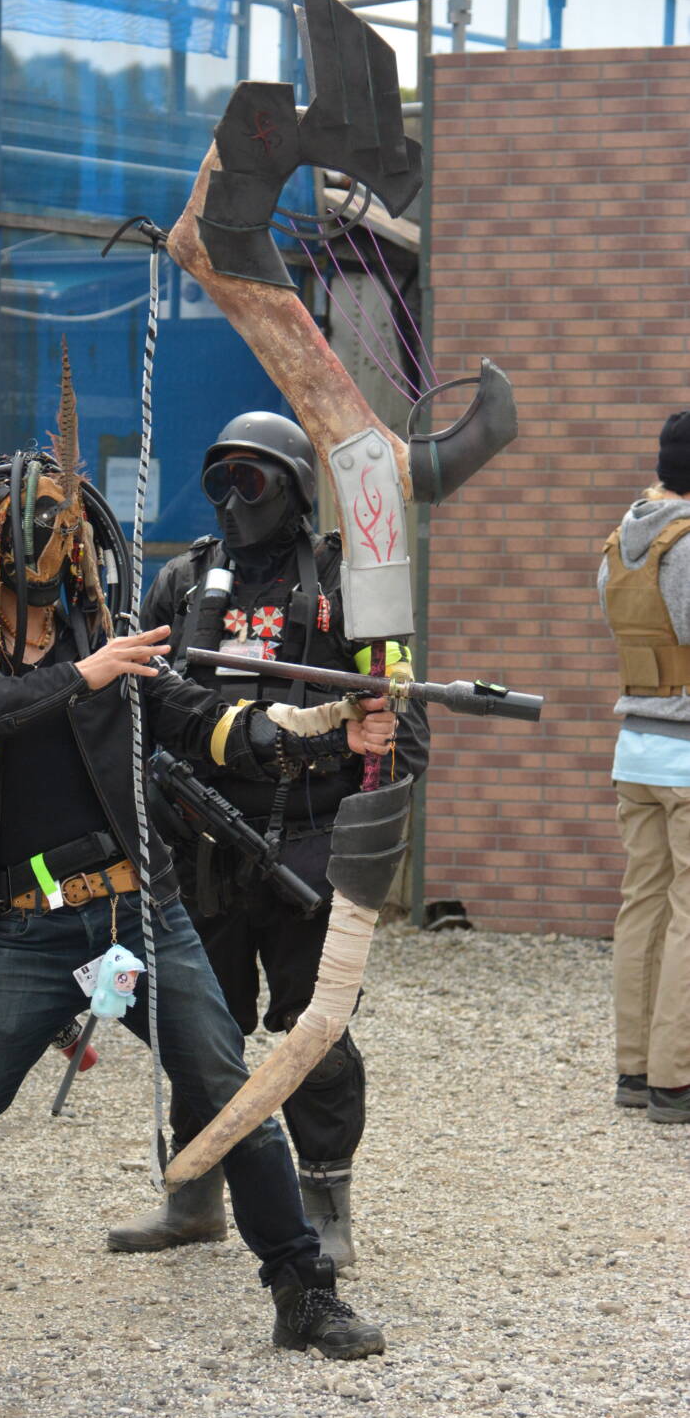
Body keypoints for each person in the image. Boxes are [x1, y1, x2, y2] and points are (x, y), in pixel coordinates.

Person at [0, 443, 398, 1364]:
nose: (58, 561)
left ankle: (304, 1293)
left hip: (140, 918)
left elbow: (209, 724)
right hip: (28, 929)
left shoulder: (109, 641)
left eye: (69, 542)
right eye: (37, 543)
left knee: (234, 1098)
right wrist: (83, 676)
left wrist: (333, 729)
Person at [107, 413, 429, 1264]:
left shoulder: (345, 585)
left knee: (313, 1030)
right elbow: (134, 708)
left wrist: (374, 740)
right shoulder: (182, 583)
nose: (233, 500)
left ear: (292, 488)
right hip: (197, 843)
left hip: (308, 846)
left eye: (251, 480)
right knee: (196, 1028)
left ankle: (326, 1205)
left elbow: (406, 727)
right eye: (220, 480)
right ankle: (193, 1197)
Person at [598, 411, 690, 1125]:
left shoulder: (620, 542)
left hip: (636, 747)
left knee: (643, 907)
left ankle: (635, 1068)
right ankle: (676, 1079)